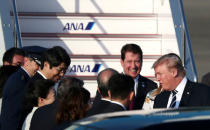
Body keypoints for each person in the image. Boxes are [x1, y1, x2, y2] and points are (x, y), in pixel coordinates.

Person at [1, 48, 44, 130]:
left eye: (41, 66)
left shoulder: (23, 78)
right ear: (26, 61)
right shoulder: (19, 80)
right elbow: (13, 115)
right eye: (37, 64)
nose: (39, 69)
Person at [120, 43, 157, 109]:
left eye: (137, 61)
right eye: (129, 61)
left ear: (142, 62)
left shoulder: (151, 86)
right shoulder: (111, 84)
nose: (133, 66)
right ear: (122, 62)